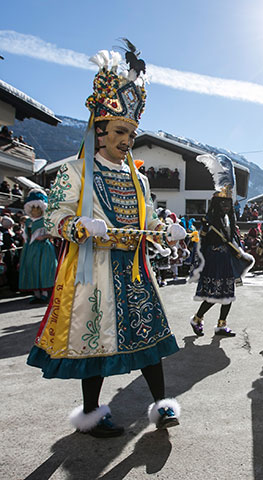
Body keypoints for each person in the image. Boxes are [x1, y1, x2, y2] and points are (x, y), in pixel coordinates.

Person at [26, 44, 187, 438]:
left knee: (151, 338)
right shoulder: (75, 172)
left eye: (131, 133)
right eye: (120, 131)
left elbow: (147, 219)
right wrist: (80, 226)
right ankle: (92, 413)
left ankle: (162, 407)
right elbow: (53, 216)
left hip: (133, 270)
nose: (127, 140)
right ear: (98, 131)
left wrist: (166, 229)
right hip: (93, 272)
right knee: (95, 342)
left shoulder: (140, 178)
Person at [190, 153, 254, 338]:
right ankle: (197, 318)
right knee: (213, 295)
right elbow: (202, 244)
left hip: (227, 260)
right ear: (217, 203)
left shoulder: (229, 219)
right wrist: (206, 231)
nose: (226, 206)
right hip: (214, 260)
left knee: (228, 295)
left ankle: (221, 326)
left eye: (228, 203)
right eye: (223, 203)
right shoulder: (209, 220)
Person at [18, 189, 57, 303]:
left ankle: (44, 293)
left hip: (43, 248)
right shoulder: (28, 221)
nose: (35, 211)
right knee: (31, 269)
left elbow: (55, 233)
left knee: (43, 269)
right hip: (30, 248)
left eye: (37, 208)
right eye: (33, 208)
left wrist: (44, 237)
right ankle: (36, 294)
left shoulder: (46, 220)